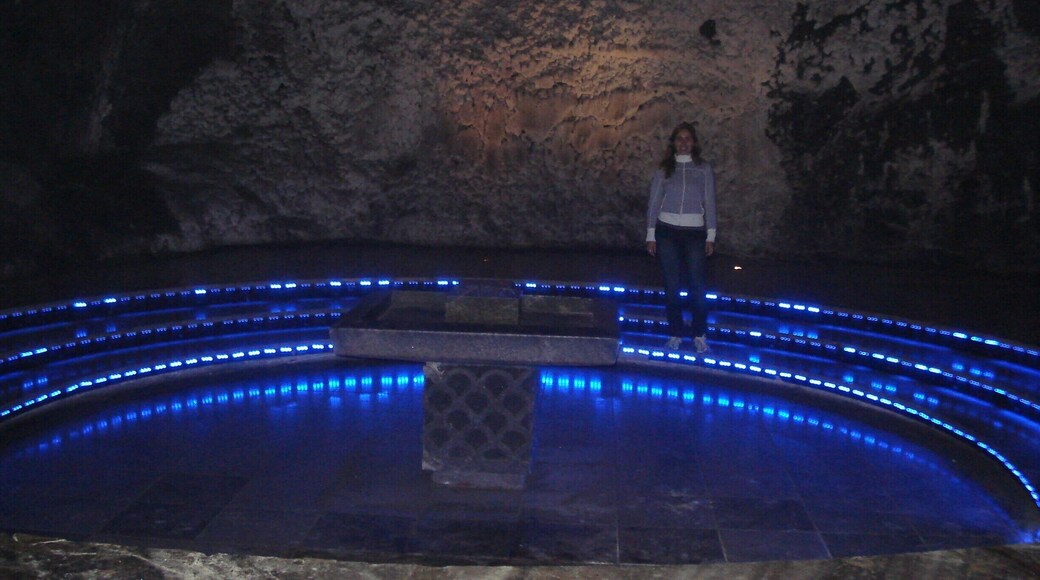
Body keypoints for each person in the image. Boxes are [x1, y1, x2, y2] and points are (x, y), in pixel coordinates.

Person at [645, 122, 717, 353]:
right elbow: (654, 202)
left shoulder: (703, 169)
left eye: (687, 138)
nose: (684, 142)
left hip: (695, 233)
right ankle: (675, 333)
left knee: (697, 286)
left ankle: (699, 335)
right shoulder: (664, 169)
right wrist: (650, 234)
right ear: (674, 143)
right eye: (679, 138)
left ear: (693, 142)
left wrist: (711, 234)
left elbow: (710, 201)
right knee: (672, 285)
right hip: (667, 232)